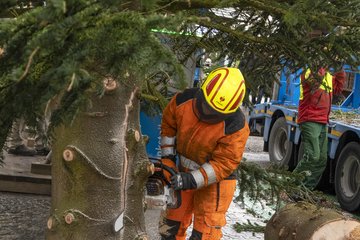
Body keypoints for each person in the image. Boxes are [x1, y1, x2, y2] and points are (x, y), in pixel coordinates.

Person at [158, 67, 250, 240]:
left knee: (205, 234)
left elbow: (224, 164)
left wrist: (192, 180)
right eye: (206, 105)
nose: (207, 112)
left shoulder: (235, 126)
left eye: (214, 112)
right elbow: (168, 127)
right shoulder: (183, 101)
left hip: (216, 182)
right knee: (170, 227)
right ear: (202, 91)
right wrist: (168, 159)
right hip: (181, 173)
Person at [293, 67, 346, 189]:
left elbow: (338, 88)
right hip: (309, 119)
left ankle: (306, 190)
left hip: (322, 121)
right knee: (313, 156)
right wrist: (323, 66)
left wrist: (340, 68)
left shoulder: (327, 76)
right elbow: (314, 84)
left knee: (321, 160)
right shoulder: (308, 72)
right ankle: (291, 185)